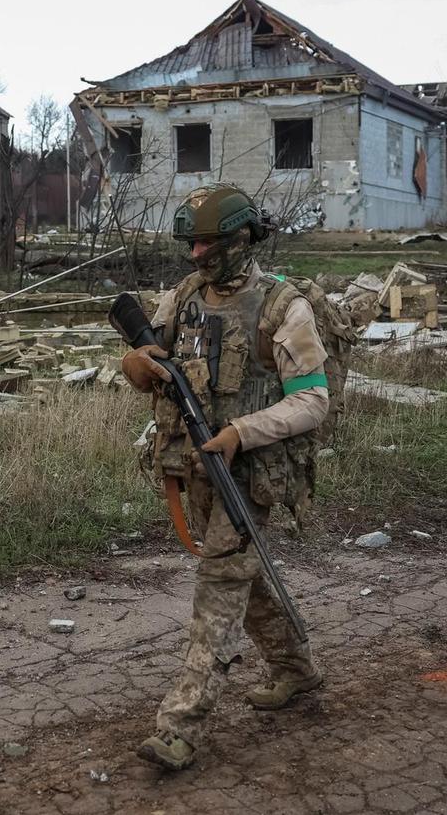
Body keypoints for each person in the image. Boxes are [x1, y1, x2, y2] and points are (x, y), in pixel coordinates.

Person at [121, 183, 328, 772]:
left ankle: (179, 727)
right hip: (195, 463)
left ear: (241, 240)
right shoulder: (184, 296)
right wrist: (134, 363)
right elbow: (149, 359)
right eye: (192, 243)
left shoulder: (283, 308)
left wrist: (242, 432)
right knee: (241, 574)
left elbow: (313, 401)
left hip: (252, 471)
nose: (196, 255)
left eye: (208, 242)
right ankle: (296, 668)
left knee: (218, 584)